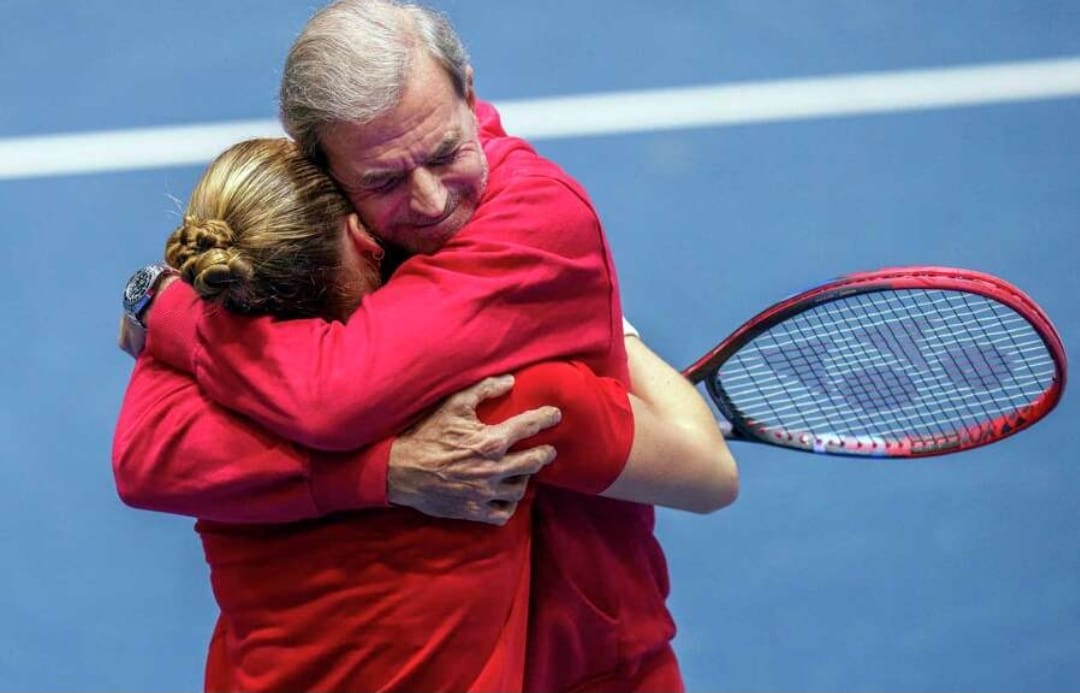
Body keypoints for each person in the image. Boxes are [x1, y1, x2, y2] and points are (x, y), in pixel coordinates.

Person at [118, 1, 738, 689]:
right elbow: (708, 471)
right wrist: (384, 471)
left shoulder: (228, 298)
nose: (434, 201)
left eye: (446, 151)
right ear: (323, 171)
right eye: (384, 182)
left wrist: (166, 307)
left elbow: (174, 447)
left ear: (469, 93)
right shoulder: (506, 405)